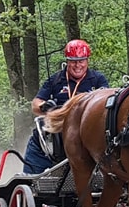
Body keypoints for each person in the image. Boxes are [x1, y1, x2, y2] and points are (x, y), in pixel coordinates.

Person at [24, 39, 110, 173]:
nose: (77, 65)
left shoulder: (98, 80)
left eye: (81, 61)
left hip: (84, 130)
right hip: (58, 130)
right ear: (67, 61)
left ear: (87, 61)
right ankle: (32, 174)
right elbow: (35, 104)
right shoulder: (55, 80)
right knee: (38, 138)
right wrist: (44, 106)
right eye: (73, 61)